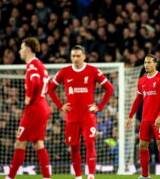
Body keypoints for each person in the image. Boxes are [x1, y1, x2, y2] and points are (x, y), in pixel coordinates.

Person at [48, 45, 114, 179]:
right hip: (72, 117)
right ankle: (78, 176)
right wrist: (60, 105)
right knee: (74, 147)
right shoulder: (64, 71)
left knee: (90, 144)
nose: (76, 59)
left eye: (78, 56)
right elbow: (50, 89)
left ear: (84, 56)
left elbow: (110, 89)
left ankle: (91, 175)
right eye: (73, 56)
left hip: (87, 116)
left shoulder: (93, 71)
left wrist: (99, 107)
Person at [5, 37, 51, 179]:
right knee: (38, 143)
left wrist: (29, 97)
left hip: (34, 108)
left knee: (20, 142)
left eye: (21, 47)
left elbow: (36, 81)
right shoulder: (41, 65)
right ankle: (47, 177)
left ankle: (10, 177)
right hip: (43, 107)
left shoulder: (32, 66)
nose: (19, 51)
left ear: (28, 49)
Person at [126, 54, 160, 179]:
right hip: (146, 119)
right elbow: (138, 100)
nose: (146, 65)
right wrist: (130, 116)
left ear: (155, 64)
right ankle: (145, 176)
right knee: (142, 145)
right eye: (145, 62)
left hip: (158, 118)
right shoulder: (142, 80)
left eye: (149, 62)